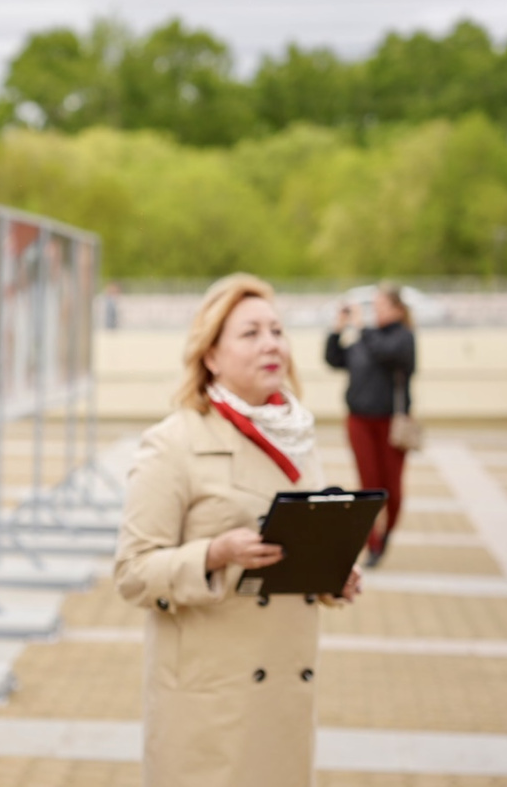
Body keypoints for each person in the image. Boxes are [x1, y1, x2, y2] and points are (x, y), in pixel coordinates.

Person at [113, 273, 361, 787]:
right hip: (211, 705)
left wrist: (333, 574)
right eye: (250, 333)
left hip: (285, 693)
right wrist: (213, 554)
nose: (271, 343)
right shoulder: (173, 442)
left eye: (276, 330)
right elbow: (133, 574)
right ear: (211, 356)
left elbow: (291, 554)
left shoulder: (299, 437)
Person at [324, 282, 417, 567]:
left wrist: (362, 327)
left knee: (392, 488)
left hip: (390, 423)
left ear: (398, 309)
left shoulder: (403, 338)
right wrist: (337, 329)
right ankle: (372, 542)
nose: (375, 312)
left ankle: (386, 533)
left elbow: (386, 353)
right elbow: (334, 358)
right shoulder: (365, 337)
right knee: (368, 485)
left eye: (381, 306)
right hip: (359, 421)